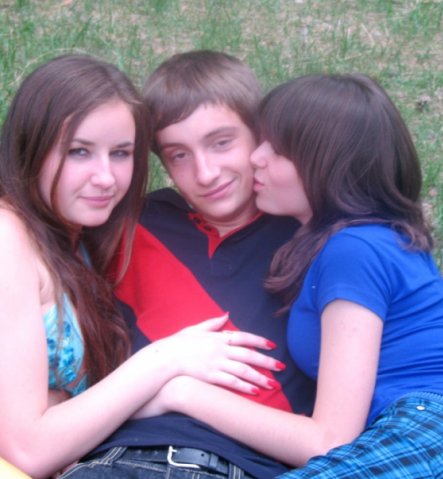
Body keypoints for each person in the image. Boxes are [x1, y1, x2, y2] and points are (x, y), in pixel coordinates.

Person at [135, 73, 443, 478]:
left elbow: (328, 439)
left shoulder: (354, 249)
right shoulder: (351, 244)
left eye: (277, 150)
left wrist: (178, 390)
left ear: (325, 165)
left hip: (423, 425)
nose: (257, 157)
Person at [0, 54, 279, 479]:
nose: (105, 177)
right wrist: (165, 359)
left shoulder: (84, 243)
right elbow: (28, 450)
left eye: (120, 153)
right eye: (79, 151)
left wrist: (166, 394)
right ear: (30, 147)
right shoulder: (7, 235)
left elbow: (70, 418)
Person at [62, 51, 316, 479]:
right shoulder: (127, 225)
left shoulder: (310, 236)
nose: (206, 173)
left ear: (261, 136)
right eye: (179, 155)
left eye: (221, 142)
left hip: (237, 467)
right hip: (111, 461)